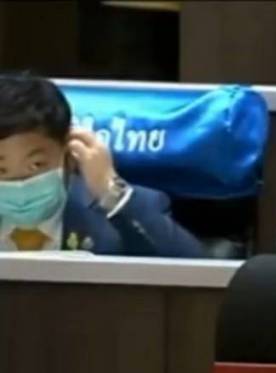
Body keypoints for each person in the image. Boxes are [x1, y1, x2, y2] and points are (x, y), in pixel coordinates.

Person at [0, 74, 204, 257]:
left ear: (69, 151)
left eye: (36, 165)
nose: (19, 184)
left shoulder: (119, 212)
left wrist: (111, 193)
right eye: (1, 170)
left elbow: (196, 271)